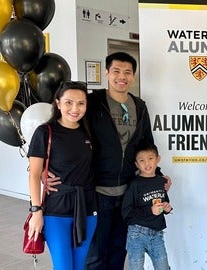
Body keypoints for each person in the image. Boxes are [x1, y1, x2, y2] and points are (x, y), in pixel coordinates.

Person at [42, 52, 170, 269]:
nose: (122, 76)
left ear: (133, 76)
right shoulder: (92, 103)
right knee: (96, 253)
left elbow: (146, 145)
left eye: (128, 72)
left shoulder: (140, 106)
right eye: (116, 71)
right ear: (107, 73)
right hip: (96, 192)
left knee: (119, 250)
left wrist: (156, 176)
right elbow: (68, 136)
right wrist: (44, 169)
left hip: (128, 191)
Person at [27, 81, 97, 270]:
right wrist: (36, 211)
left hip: (87, 209)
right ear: (58, 103)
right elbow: (34, 174)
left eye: (81, 103)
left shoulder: (89, 131)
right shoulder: (45, 132)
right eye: (68, 102)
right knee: (64, 266)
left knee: (79, 266)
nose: (75, 108)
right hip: (56, 210)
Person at [122, 141, 172, 270]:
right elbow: (126, 212)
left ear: (158, 159)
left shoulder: (162, 181)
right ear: (136, 164)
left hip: (157, 234)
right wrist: (150, 210)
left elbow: (164, 201)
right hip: (136, 234)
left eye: (150, 158)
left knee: (163, 268)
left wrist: (167, 208)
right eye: (142, 160)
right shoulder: (134, 184)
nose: (147, 163)